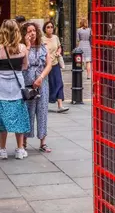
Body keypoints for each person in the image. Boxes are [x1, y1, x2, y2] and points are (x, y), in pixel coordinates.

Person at [0, 19, 29, 159]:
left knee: (1, 119)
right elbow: (25, 66)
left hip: (1, 88)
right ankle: (19, 149)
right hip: (18, 87)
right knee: (20, 117)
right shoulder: (23, 48)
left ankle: (2, 149)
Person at [22, 22, 52, 152]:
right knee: (27, 112)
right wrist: (27, 46)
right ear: (24, 34)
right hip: (27, 84)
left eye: (33, 30)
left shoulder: (43, 47)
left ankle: (43, 142)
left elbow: (49, 64)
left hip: (42, 84)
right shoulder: (22, 48)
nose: (32, 33)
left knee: (42, 111)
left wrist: (40, 78)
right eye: (29, 31)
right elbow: (22, 64)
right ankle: (23, 142)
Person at [41, 21, 67, 113]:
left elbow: (59, 47)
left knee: (59, 83)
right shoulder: (41, 39)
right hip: (46, 66)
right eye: (48, 27)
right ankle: (44, 104)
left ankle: (60, 105)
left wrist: (58, 52)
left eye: (51, 27)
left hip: (55, 64)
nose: (50, 29)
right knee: (48, 85)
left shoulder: (55, 38)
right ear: (44, 29)